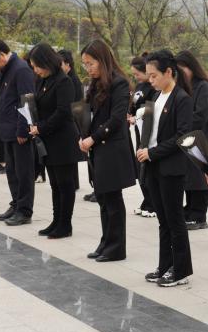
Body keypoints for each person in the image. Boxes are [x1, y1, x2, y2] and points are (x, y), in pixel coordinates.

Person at [137, 50, 194, 286]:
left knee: (175, 220)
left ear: (169, 72)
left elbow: (182, 136)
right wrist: (143, 147)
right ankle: (165, 265)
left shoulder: (182, 99)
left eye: (154, 76)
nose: (150, 81)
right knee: (163, 220)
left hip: (170, 167)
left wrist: (153, 152)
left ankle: (180, 271)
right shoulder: (156, 96)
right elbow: (150, 129)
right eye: (148, 76)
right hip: (153, 165)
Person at [79, 40, 137, 262]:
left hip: (112, 148)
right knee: (103, 198)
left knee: (113, 199)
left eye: (91, 63)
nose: (88, 68)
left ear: (102, 60)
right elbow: (90, 114)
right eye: (85, 64)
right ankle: (106, 242)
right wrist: (83, 135)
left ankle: (116, 247)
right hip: (98, 148)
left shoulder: (119, 83)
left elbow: (116, 119)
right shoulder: (95, 83)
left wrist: (93, 138)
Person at [28, 43, 80, 239]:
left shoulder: (63, 81)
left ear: (46, 62)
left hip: (63, 140)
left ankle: (65, 224)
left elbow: (63, 112)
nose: (35, 70)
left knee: (65, 184)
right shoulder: (42, 80)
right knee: (55, 184)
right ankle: (56, 220)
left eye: (37, 66)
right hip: (48, 139)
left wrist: (41, 127)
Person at [0, 40, 36, 226]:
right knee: (12, 172)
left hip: (18, 131)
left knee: (23, 173)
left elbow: (26, 101)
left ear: (2, 55)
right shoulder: (6, 70)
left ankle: (24, 210)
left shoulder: (21, 70)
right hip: (7, 129)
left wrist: (23, 129)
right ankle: (16, 204)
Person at [175, 50, 208, 230]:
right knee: (189, 178)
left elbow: (202, 114)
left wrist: (182, 125)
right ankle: (190, 209)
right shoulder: (184, 86)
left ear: (191, 67)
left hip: (201, 138)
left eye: (182, 69)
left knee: (199, 177)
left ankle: (199, 215)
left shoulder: (203, 86)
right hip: (187, 138)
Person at [127, 54, 157, 216]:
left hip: (148, 129)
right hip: (138, 129)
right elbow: (133, 105)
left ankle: (152, 204)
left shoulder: (153, 88)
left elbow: (151, 109)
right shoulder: (139, 86)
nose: (136, 77)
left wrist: (137, 116)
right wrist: (130, 114)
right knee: (140, 166)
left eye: (137, 74)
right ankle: (147, 200)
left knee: (146, 165)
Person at [59, 48, 86, 193]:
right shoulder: (68, 78)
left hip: (74, 119)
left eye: (60, 63)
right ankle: (74, 182)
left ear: (67, 64)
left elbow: (76, 104)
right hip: (73, 118)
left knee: (72, 155)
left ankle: (73, 182)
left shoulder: (72, 80)